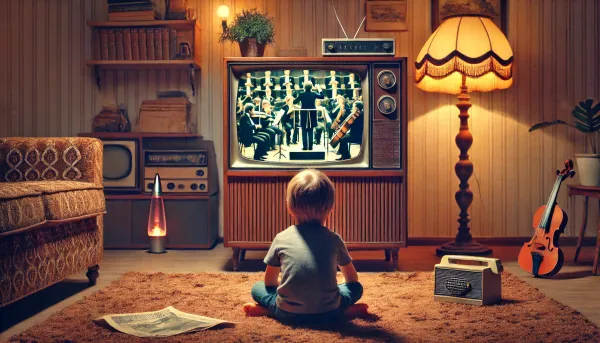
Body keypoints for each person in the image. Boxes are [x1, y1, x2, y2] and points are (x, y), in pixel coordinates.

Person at [242, 169, 368, 323]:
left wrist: (291, 286)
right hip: (329, 311)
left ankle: (270, 311)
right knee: (357, 288)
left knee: (257, 288)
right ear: (331, 207)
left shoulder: (281, 238)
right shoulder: (334, 239)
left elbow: (269, 282)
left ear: (289, 207)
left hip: (287, 312)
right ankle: (344, 311)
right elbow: (352, 279)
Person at [293, 82, 324, 151]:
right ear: (311, 87)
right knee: (311, 131)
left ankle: (304, 147)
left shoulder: (301, 94)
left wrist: (297, 93)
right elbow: (322, 96)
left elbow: (294, 102)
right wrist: (319, 89)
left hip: (304, 114)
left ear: (304, 87)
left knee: (304, 131)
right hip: (312, 114)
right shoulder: (313, 93)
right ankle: (310, 147)